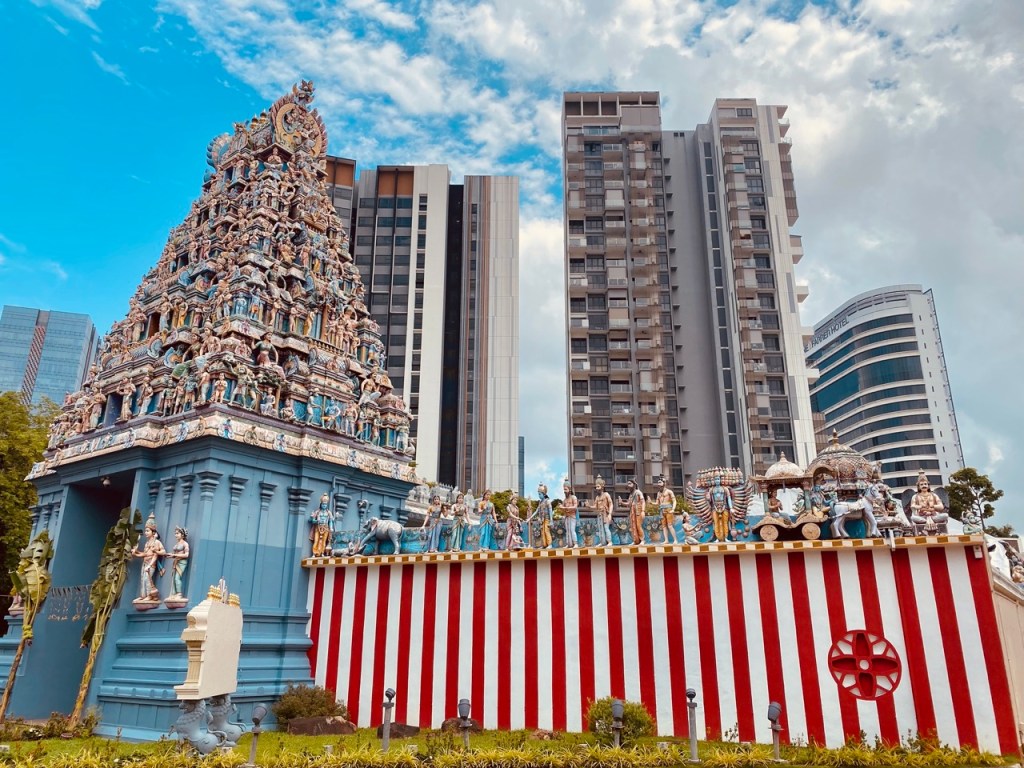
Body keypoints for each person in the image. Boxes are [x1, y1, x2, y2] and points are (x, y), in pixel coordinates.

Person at [133, 516, 166, 603]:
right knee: (142, 580)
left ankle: (149, 596)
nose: (146, 533)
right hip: (145, 563)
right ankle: (143, 596)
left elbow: (161, 553)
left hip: (151, 564)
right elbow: (145, 554)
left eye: (148, 531)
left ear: (153, 532)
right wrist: (136, 553)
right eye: (145, 531)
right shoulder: (147, 543)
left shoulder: (156, 542)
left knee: (147, 580)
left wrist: (150, 564)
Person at [618, 479, 646, 545]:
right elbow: (629, 504)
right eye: (628, 484)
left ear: (634, 485)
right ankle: (636, 540)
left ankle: (642, 540)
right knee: (633, 526)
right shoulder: (630, 495)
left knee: (638, 525)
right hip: (632, 511)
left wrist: (643, 511)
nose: (628, 485)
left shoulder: (638, 492)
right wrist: (622, 503)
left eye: (630, 483)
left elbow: (643, 502)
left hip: (638, 510)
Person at [308, 493, 334, 557]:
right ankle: (314, 553)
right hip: (318, 527)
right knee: (316, 540)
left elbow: (330, 521)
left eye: (325, 504)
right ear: (321, 504)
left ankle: (322, 552)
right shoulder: (317, 512)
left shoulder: (329, 513)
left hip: (326, 528)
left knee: (324, 541)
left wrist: (331, 528)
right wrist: (316, 520)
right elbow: (312, 521)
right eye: (323, 504)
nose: (324, 505)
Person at [655, 476, 679, 544]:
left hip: (668, 509)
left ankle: (675, 540)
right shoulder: (658, 493)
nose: (658, 484)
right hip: (661, 510)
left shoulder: (669, 491)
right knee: (664, 526)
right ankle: (666, 540)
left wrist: (673, 509)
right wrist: (651, 502)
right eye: (658, 483)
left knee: (670, 525)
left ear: (664, 483)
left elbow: (674, 501)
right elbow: (657, 503)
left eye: (660, 482)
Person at [168, 527, 191, 598]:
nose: (176, 535)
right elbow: (175, 554)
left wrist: (175, 555)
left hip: (182, 562)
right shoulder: (177, 544)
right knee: (173, 578)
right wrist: (170, 555)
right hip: (176, 562)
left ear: (182, 535)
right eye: (175, 533)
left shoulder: (185, 544)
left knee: (177, 578)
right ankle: (174, 593)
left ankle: (179, 593)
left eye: (177, 533)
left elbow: (186, 555)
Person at [592, 476, 614, 546]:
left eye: (598, 486)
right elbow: (595, 506)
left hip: (606, 514)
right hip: (599, 515)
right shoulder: (597, 497)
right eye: (596, 487)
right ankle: (602, 542)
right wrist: (589, 506)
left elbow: (611, 504)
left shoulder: (606, 494)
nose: (596, 488)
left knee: (606, 528)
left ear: (602, 487)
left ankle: (609, 541)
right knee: (600, 529)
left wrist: (610, 514)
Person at [562, 480, 579, 548]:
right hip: (567, 517)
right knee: (567, 531)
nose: (564, 491)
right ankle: (568, 544)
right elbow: (563, 509)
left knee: (572, 530)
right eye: (564, 489)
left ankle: (575, 543)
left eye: (566, 489)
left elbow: (575, 507)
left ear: (569, 489)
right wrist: (561, 508)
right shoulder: (564, 500)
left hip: (572, 516)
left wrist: (566, 508)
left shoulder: (573, 497)